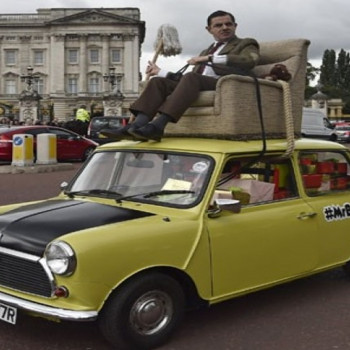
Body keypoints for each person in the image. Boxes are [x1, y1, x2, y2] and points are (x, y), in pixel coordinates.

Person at [103, 10, 260, 142]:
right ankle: (135, 126)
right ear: (209, 29)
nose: (224, 27)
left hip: (224, 84)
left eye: (228, 24)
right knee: (159, 82)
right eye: (218, 25)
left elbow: (250, 61)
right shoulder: (206, 51)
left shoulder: (245, 43)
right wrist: (160, 72)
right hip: (199, 82)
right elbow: (188, 81)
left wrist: (209, 59)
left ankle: (158, 126)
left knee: (192, 77)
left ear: (235, 26)